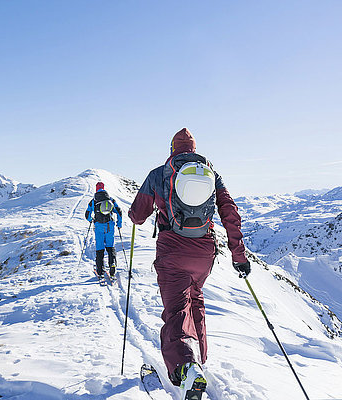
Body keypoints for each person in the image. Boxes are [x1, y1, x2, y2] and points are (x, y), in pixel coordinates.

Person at [128, 128, 251, 400]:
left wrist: (136, 215)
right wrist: (238, 255)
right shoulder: (211, 174)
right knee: (195, 299)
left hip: (172, 249)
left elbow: (138, 215)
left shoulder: (159, 174)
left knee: (176, 310)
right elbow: (229, 212)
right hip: (204, 251)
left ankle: (187, 368)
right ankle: (200, 358)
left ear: (173, 149)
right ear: (194, 149)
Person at [85, 182, 123, 278]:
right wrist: (119, 224)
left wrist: (91, 220)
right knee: (110, 247)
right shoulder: (110, 199)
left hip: (99, 226)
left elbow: (87, 214)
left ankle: (100, 270)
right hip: (109, 226)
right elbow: (119, 211)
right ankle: (112, 264)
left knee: (100, 248)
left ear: (96, 189)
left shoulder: (93, 201)